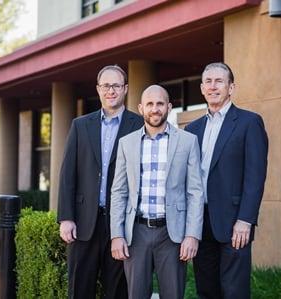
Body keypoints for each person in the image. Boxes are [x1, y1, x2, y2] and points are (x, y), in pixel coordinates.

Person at [57, 65, 144, 298]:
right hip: (84, 224)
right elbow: (68, 174)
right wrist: (66, 217)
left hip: (121, 225)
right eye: (106, 86)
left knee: (117, 291)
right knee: (79, 290)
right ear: (98, 89)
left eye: (116, 86)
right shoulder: (80, 125)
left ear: (125, 89)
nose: (111, 91)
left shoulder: (139, 125)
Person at [110, 85, 204, 299]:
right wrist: (116, 234)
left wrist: (192, 235)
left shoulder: (188, 141)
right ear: (141, 108)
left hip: (172, 235)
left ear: (169, 107)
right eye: (150, 104)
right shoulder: (126, 143)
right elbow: (118, 192)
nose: (155, 109)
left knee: (173, 294)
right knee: (136, 295)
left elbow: (195, 192)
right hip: (137, 233)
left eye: (160, 103)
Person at [185, 62, 268, 299]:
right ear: (202, 89)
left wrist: (245, 219)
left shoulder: (249, 122)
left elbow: (255, 176)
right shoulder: (192, 129)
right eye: (208, 82)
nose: (213, 86)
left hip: (234, 223)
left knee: (234, 291)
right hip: (201, 222)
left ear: (231, 88)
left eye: (219, 81)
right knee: (206, 289)